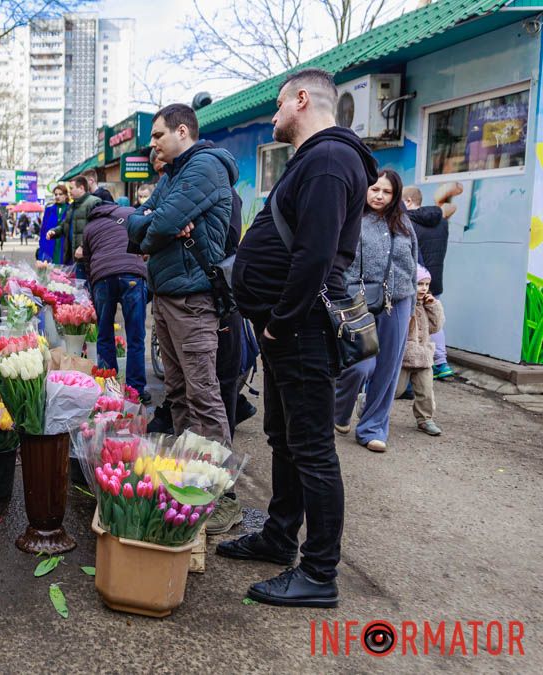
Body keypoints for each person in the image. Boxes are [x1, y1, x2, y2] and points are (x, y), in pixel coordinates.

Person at [224, 68, 378, 608]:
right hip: (288, 331)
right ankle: (279, 535)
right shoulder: (316, 159)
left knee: (312, 448)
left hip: (302, 329)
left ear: (302, 99)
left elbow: (314, 255)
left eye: (278, 105)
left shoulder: (332, 159)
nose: (273, 115)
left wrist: (278, 322)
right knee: (285, 439)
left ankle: (318, 574)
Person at [126, 103, 235, 445]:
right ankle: (188, 469)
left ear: (182, 131)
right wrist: (152, 223)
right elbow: (136, 222)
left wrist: (155, 225)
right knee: (176, 391)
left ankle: (220, 487)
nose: (153, 143)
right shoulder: (173, 174)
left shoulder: (204, 167)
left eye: (158, 135)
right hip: (167, 294)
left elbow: (161, 225)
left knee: (201, 394)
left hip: (193, 300)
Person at [334, 169, 419, 453]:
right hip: (358, 301)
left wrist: (413, 308)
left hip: (399, 301)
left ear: (395, 196)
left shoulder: (404, 223)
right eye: (375, 189)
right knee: (359, 364)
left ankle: (372, 428)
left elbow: (413, 263)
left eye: (387, 191)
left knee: (388, 370)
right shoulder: (351, 219)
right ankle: (341, 409)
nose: (379, 195)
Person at [81, 200, 151, 402]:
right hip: (132, 276)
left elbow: (87, 262)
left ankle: (110, 389)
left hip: (102, 278)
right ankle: (135, 391)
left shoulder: (89, 227)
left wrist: (93, 290)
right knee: (136, 337)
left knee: (104, 335)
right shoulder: (130, 212)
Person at [404, 182, 463, 380]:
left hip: (414, 278)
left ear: (409, 201)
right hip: (433, 280)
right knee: (433, 321)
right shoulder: (442, 221)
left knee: (410, 321)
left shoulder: (407, 222)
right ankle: (441, 362)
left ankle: (412, 364)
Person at [398, 265, 446, 436]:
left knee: (425, 391)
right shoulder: (404, 304)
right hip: (403, 356)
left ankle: (425, 419)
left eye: (426, 284)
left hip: (424, 356)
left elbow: (435, 327)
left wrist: (434, 307)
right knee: (395, 390)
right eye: (420, 284)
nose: (424, 288)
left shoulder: (426, 305)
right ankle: (368, 403)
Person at [51, 176, 101, 282]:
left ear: (81, 188)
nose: (69, 192)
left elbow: (97, 229)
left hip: (87, 258)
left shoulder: (93, 202)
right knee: (78, 289)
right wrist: (55, 232)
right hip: (74, 257)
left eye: (72, 188)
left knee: (87, 289)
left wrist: (83, 247)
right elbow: (66, 225)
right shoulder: (73, 205)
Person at [38, 185, 70, 263]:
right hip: (50, 244)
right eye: (56, 194)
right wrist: (42, 246)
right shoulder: (49, 210)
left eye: (60, 194)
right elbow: (43, 230)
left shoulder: (70, 209)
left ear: (66, 195)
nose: (57, 196)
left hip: (64, 245)